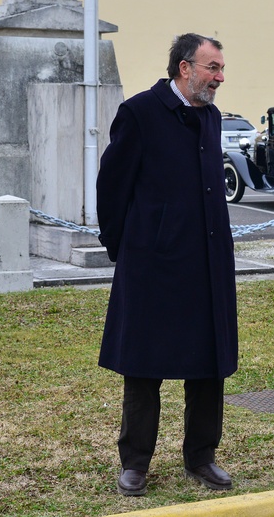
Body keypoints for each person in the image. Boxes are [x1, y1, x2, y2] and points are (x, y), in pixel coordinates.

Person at [96, 33, 238, 496]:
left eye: (220, 68)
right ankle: (135, 462)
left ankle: (201, 457)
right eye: (212, 68)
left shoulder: (211, 117)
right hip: (152, 266)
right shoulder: (139, 113)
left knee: (207, 365)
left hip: (206, 265)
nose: (220, 77)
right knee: (144, 367)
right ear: (184, 68)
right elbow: (112, 187)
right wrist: (128, 248)